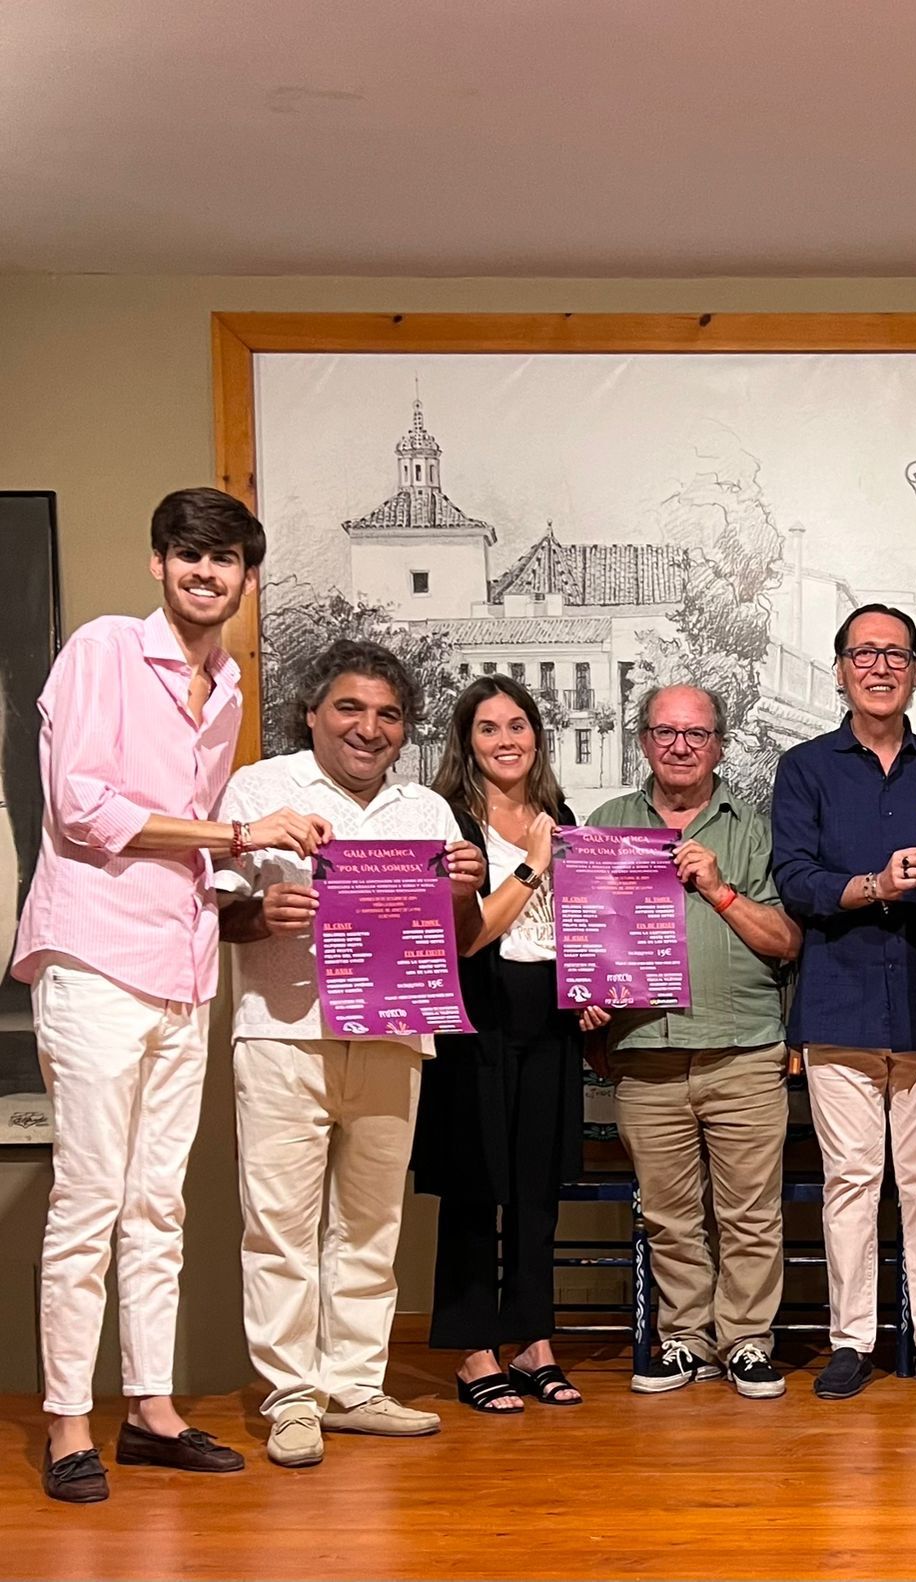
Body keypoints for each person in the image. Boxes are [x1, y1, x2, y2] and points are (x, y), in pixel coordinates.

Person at [11, 489, 326, 1503]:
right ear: (159, 563)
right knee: (89, 1198)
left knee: (158, 1201)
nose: (207, 573)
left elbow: (182, 837)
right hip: (94, 956)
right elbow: (82, 806)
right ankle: (70, 1420)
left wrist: (241, 886)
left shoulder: (227, 684)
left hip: (182, 964)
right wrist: (243, 837)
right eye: (190, 554)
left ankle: (150, 1408)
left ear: (245, 576)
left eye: (226, 559)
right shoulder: (103, 647)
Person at [215, 640, 484, 1470]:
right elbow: (218, 917)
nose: (369, 729)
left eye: (388, 715)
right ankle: (292, 1397)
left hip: (394, 1034)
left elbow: (462, 943)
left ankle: (357, 1385)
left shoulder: (425, 813)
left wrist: (466, 889)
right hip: (282, 1032)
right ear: (312, 711)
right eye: (351, 709)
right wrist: (266, 914)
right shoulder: (257, 790)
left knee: (373, 1223)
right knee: (280, 1227)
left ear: (405, 731)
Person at [771, 603, 916, 1400]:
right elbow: (794, 880)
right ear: (840, 671)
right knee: (851, 1179)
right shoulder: (805, 768)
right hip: (839, 1007)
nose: (880, 666)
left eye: (896, 653)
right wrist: (873, 886)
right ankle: (850, 1343)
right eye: (864, 653)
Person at [585, 684, 802, 1402]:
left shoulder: (756, 831)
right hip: (645, 1055)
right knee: (668, 1214)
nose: (681, 746)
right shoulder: (606, 825)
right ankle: (685, 1341)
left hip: (743, 1050)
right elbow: (583, 940)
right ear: (643, 741)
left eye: (697, 734)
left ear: (720, 744)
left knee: (750, 1213)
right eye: (666, 732)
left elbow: (788, 940)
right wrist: (585, 990)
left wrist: (718, 888)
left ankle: (746, 1342)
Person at [414, 676, 585, 1414]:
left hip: (547, 1014)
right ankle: (475, 1349)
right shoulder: (448, 820)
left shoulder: (560, 814)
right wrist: (531, 863)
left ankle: (534, 1341)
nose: (507, 740)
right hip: (476, 1013)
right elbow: (470, 934)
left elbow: (577, 922)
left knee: (536, 1189)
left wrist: (594, 983)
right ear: (467, 742)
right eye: (489, 729)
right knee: (475, 1185)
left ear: (537, 737)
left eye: (518, 725)